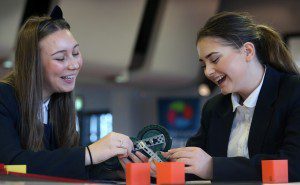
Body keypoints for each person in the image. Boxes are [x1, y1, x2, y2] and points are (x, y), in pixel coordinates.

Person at [164, 11, 300, 182]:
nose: (208, 72)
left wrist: (212, 167)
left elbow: (294, 165)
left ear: (248, 51)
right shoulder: (214, 107)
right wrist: (160, 165)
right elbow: (193, 166)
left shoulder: (294, 92)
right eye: (204, 65)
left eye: (214, 59)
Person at [0, 6, 133, 180]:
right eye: (60, 58)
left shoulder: (58, 102)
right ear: (34, 64)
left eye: (76, 53)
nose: (74, 64)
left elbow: (70, 167)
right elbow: (12, 165)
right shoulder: (4, 97)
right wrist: (88, 153)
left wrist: (124, 168)